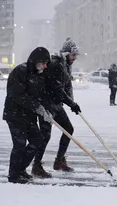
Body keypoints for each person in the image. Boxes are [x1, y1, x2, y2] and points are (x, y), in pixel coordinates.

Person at [32, 38, 82, 178]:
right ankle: (36, 166)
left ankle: (59, 161)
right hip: (47, 104)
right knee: (45, 136)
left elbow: (66, 87)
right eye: (73, 55)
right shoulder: (57, 64)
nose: (74, 58)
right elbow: (57, 89)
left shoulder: (65, 65)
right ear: (66, 53)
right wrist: (71, 104)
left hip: (56, 104)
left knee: (68, 129)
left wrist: (72, 103)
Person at [3, 47, 52, 184]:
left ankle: (21, 169)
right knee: (19, 144)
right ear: (36, 61)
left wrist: (46, 111)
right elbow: (17, 95)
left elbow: (40, 96)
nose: (45, 66)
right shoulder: (21, 71)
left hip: (29, 115)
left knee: (37, 140)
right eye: (44, 63)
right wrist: (37, 107)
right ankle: (14, 175)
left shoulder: (38, 74)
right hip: (14, 114)